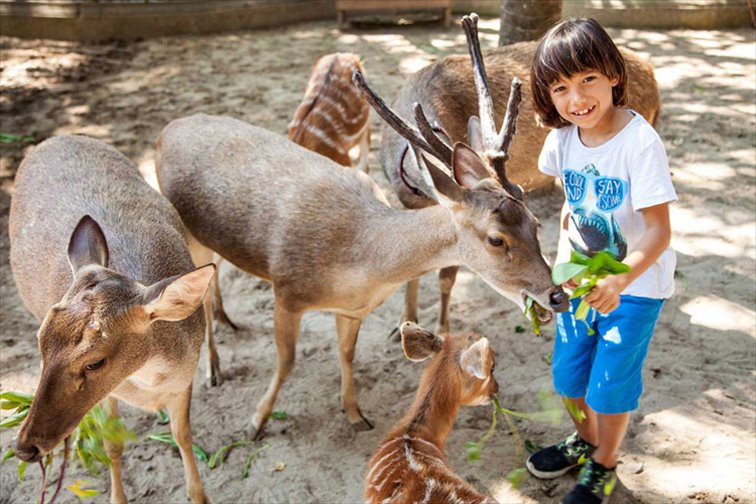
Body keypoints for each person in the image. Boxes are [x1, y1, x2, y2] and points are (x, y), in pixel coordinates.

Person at [525, 17, 676, 504]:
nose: (577, 98)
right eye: (561, 87)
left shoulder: (639, 144)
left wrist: (618, 280)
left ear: (613, 74)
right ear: (549, 96)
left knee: (609, 385)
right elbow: (572, 196)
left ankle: (604, 464)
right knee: (569, 376)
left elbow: (658, 230)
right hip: (578, 284)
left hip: (632, 289)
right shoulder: (563, 140)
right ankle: (585, 441)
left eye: (588, 78)